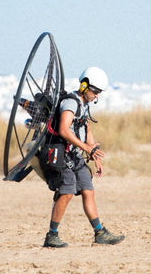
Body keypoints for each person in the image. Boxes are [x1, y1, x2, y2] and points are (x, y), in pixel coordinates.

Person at [42, 67, 124, 248]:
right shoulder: (70, 103)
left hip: (74, 154)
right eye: (95, 91)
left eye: (98, 93)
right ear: (84, 86)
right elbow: (63, 130)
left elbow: (88, 130)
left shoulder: (84, 105)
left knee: (88, 189)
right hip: (60, 153)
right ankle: (51, 235)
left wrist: (95, 156)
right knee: (67, 191)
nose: (96, 96)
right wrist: (86, 148)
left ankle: (99, 233)